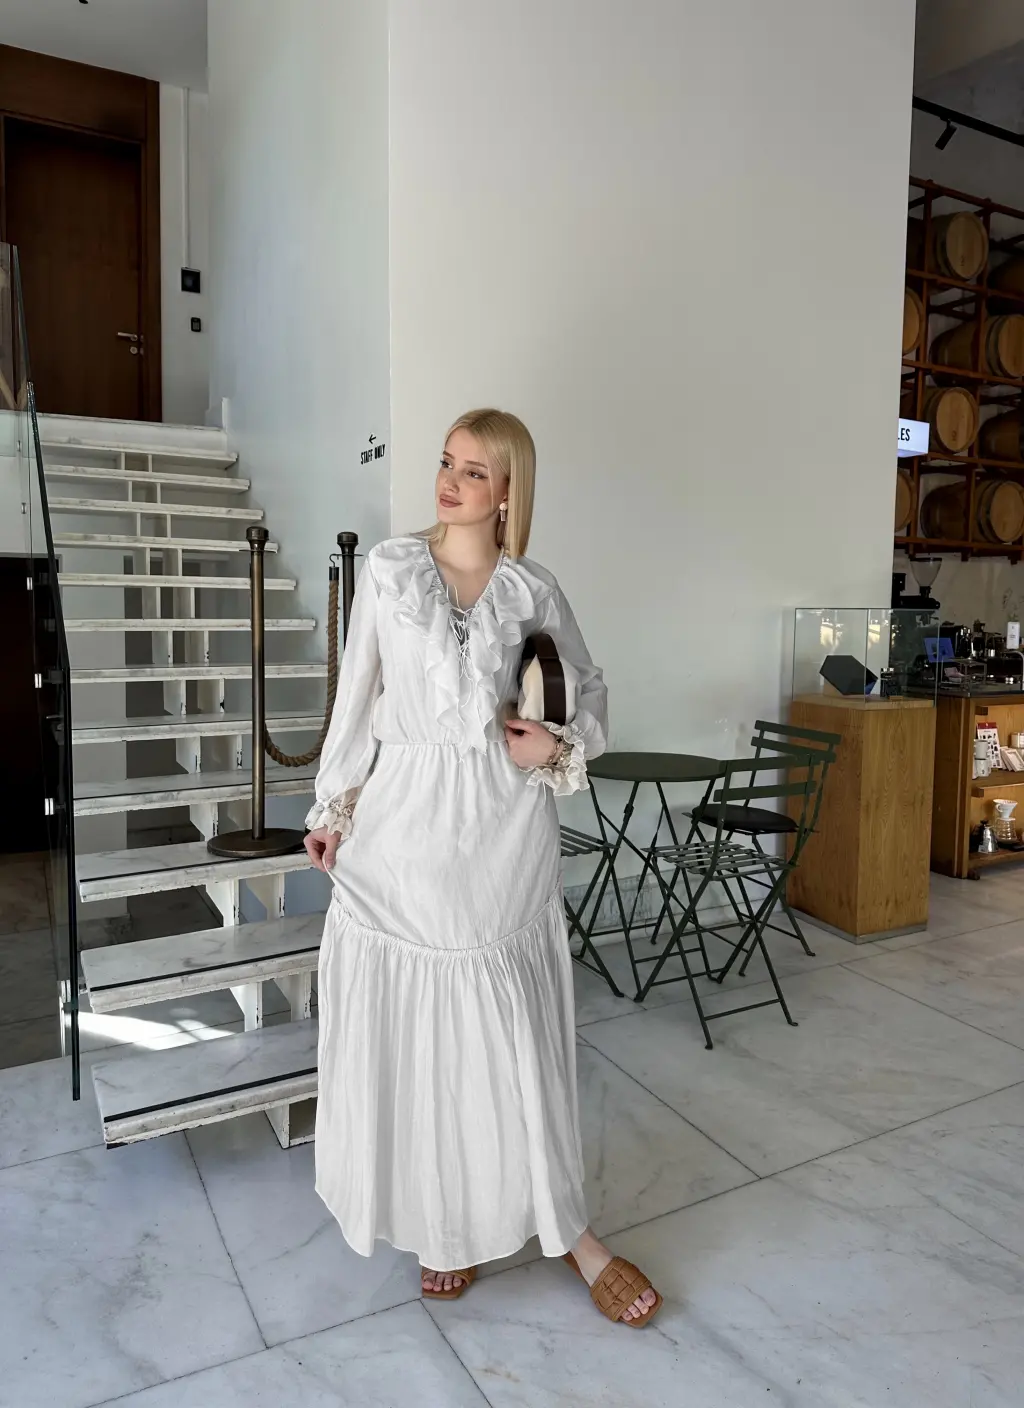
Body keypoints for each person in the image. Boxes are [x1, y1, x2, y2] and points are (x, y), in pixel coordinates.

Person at [304, 408, 662, 1327]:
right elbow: (357, 695)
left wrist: (554, 746)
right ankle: (442, 1226)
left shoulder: (534, 588)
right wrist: (334, 805)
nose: (450, 481)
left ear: (508, 491)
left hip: (501, 833)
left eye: (473, 470)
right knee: (420, 1041)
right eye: (446, 462)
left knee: (508, 1043)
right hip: (405, 827)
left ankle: (570, 1230)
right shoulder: (390, 569)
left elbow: (589, 692)